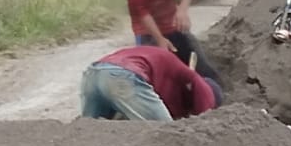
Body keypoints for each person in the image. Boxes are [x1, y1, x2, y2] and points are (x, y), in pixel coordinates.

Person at [79, 44, 220, 122]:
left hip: (92, 74)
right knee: (167, 135)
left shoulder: (167, 76)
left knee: (89, 133)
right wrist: (203, 120)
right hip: (122, 76)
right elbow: (201, 86)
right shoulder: (185, 74)